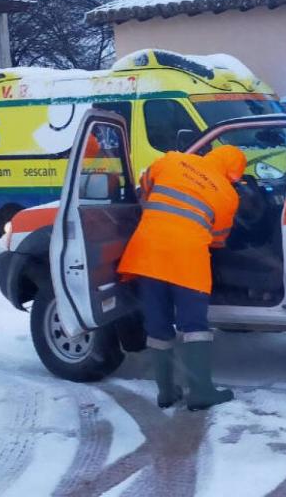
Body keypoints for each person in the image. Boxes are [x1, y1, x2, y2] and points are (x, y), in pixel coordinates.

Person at [118, 145, 247, 409]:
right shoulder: (228, 195)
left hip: (148, 253)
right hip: (188, 261)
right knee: (193, 326)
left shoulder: (173, 159)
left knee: (158, 325)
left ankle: (166, 391)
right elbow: (219, 239)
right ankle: (201, 392)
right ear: (232, 172)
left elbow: (144, 187)